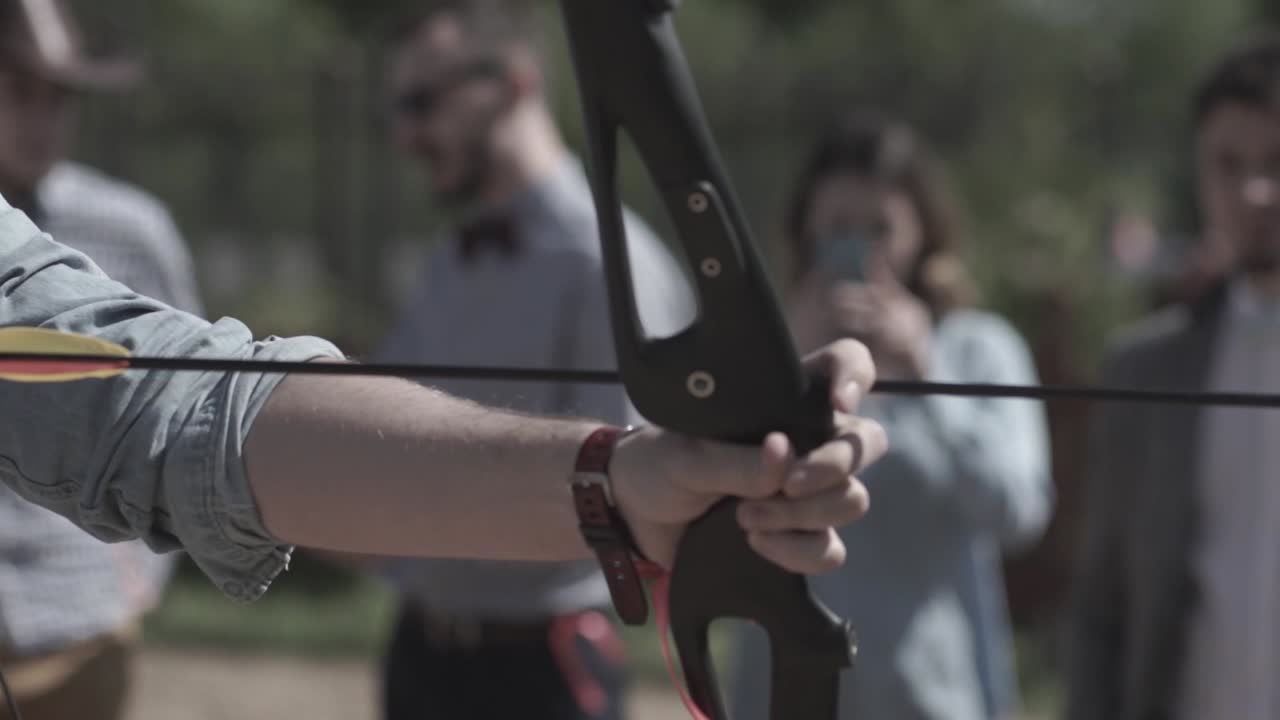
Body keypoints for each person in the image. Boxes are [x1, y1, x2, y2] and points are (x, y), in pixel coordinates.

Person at [369, 4, 696, 718]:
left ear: (513, 84)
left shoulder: (606, 262)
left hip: (541, 674)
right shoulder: (450, 258)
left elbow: (636, 501)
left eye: (422, 102)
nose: (404, 134)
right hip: (419, 652)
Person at [729, 111, 1052, 720]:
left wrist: (925, 376)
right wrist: (785, 371)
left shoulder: (977, 347)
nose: (860, 245)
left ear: (923, 232)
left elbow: (1019, 512)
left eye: (880, 227)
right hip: (785, 694)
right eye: (840, 227)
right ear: (806, 232)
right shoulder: (762, 346)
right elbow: (699, 494)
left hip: (934, 696)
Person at [1066, 32, 1280, 720]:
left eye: (1277, 161)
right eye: (1228, 164)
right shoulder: (1143, 370)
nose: (1253, 191)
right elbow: (1101, 608)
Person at [0, 1, 203, 718]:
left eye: (61, 95)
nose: (42, 116)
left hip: (80, 623)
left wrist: (136, 582)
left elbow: (185, 411)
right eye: (19, 88)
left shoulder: (130, 231)